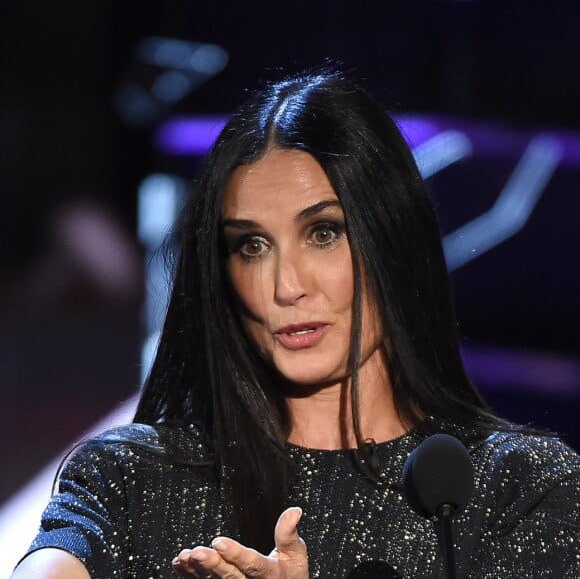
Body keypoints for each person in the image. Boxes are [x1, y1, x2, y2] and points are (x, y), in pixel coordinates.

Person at [12, 69, 580, 579]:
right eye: (252, 245)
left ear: (393, 239)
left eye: (323, 232)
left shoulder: (520, 489)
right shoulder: (133, 478)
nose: (286, 286)